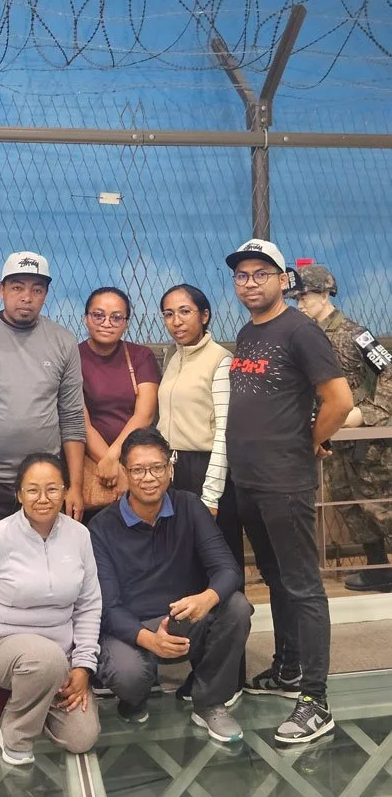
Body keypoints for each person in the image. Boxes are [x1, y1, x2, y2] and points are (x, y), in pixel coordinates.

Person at [224, 238, 353, 745]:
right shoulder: (248, 332)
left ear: (284, 281)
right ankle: (289, 669)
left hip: (284, 481)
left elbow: (338, 400)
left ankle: (315, 701)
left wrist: (310, 441)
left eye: (261, 273)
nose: (250, 282)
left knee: (302, 586)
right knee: (276, 578)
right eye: (242, 275)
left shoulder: (301, 331)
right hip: (249, 481)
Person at [0, 251, 86, 720]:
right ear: (1, 288)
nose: (26, 296)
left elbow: (71, 419)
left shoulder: (63, 342)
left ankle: (41, 672)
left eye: (36, 288)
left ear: (45, 293)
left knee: (43, 580)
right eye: (17, 287)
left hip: (46, 490)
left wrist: (74, 485)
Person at [88, 426, 252, 744]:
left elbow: (227, 568)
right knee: (129, 676)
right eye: (137, 470)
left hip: (182, 619)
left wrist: (207, 597)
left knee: (236, 605)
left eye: (157, 468)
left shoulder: (189, 507)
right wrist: (149, 640)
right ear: (124, 472)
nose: (148, 478)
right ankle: (133, 698)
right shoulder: (101, 528)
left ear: (170, 469)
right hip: (131, 629)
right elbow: (107, 607)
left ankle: (208, 702)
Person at [0, 452, 101, 766]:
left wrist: (83, 666)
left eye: (53, 489)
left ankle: (24, 696)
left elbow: (88, 604)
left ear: (66, 490)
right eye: (32, 489)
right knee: (44, 659)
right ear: (19, 494)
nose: (43, 498)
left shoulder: (79, 535)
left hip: (58, 657)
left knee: (81, 737)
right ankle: (15, 738)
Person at [157, 283, 245, 702]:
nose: (177, 321)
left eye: (185, 312)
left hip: (210, 474)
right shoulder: (173, 360)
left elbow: (226, 435)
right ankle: (203, 668)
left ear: (205, 315)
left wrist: (211, 495)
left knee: (220, 575)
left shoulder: (221, 362)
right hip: (175, 473)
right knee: (190, 576)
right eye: (169, 314)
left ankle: (231, 677)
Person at [291, 264, 392, 592]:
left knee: (381, 506)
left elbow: (387, 373)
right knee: (348, 504)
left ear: (324, 294)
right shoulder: (304, 335)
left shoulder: (354, 333)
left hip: (365, 438)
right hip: (332, 435)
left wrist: (366, 414)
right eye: (296, 298)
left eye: (304, 296)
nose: (299, 304)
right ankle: (378, 569)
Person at [79, 287, 160, 514]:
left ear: (125, 323)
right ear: (86, 318)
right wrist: (106, 463)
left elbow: (144, 415)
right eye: (98, 315)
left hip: (137, 461)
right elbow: (81, 422)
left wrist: (116, 460)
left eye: (116, 317)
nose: (107, 323)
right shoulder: (72, 358)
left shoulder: (141, 356)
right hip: (92, 464)